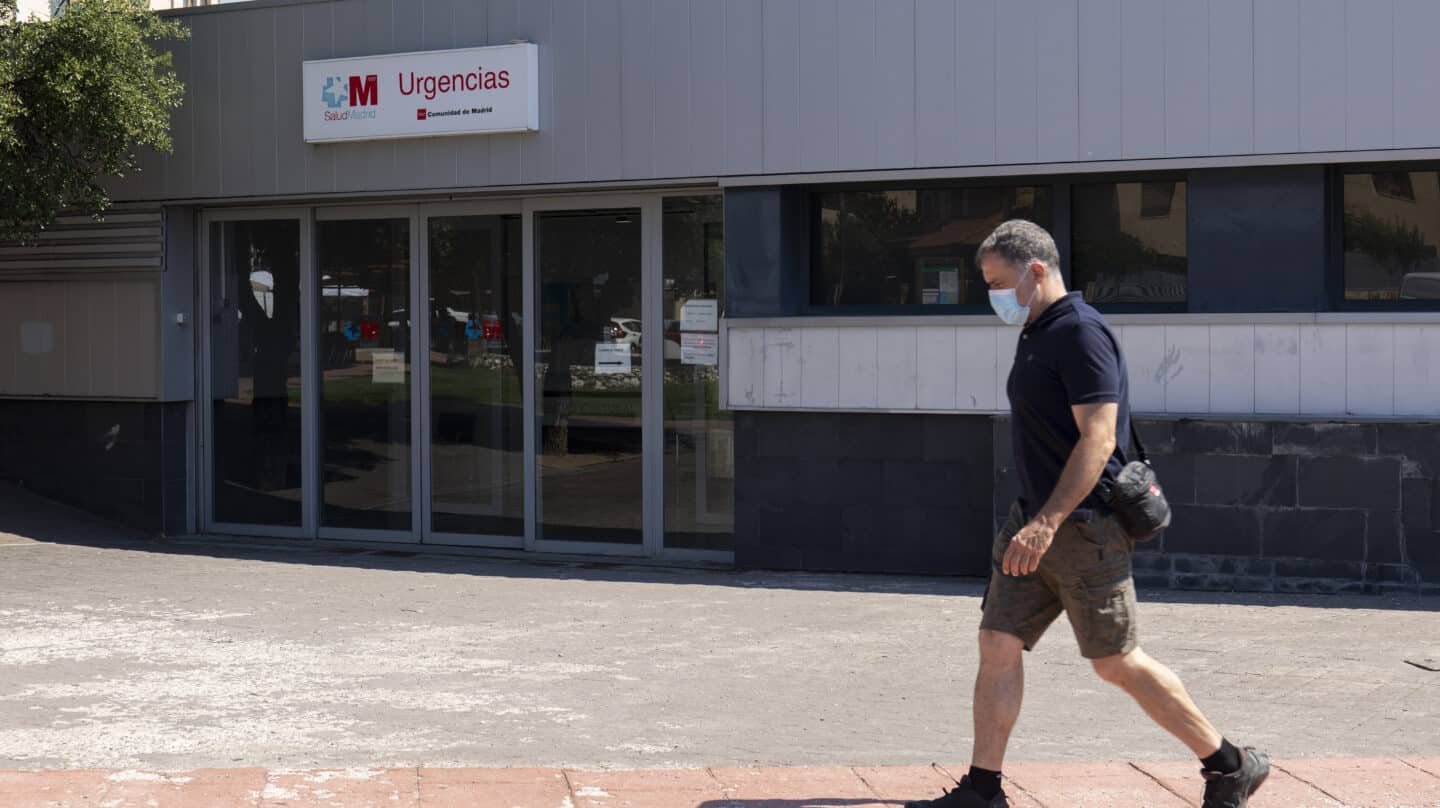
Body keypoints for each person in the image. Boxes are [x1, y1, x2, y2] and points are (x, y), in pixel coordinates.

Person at [905, 220, 1269, 808]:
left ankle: (1229, 765)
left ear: (1036, 271)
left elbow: (1098, 438)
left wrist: (1047, 522)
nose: (993, 295)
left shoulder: (1079, 333)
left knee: (1115, 662)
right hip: (1032, 523)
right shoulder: (1037, 331)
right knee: (998, 642)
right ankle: (983, 789)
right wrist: (1034, 519)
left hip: (1081, 528)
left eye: (998, 282)